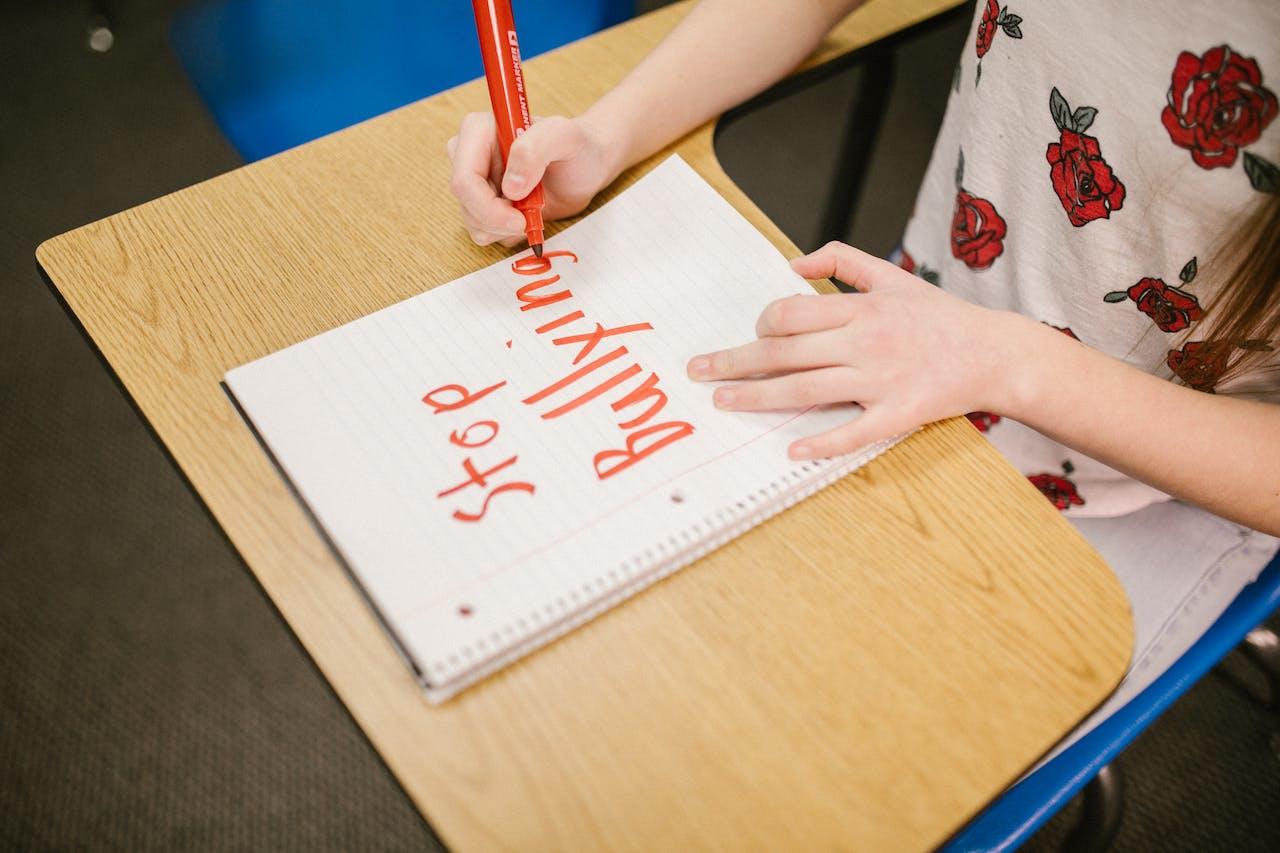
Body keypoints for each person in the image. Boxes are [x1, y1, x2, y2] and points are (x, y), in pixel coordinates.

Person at [448, 0, 1280, 753]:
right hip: (913, 338)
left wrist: (1010, 362)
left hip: (1142, 487)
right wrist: (608, 133)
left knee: (790, 752)